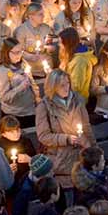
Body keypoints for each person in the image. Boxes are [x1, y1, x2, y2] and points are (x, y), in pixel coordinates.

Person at [36, 68, 94, 197]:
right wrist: (66, 138)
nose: (66, 87)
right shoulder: (44, 106)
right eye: (62, 85)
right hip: (61, 160)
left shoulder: (77, 100)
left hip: (80, 156)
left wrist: (93, 149)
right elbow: (43, 136)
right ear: (53, 86)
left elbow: (86, 126)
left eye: (68, 83)